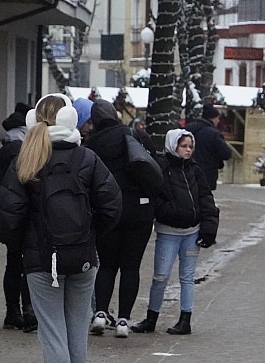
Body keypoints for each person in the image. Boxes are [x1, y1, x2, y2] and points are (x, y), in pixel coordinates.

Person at [0, 94, 122, 363]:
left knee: (52, 332)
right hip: (83, 258)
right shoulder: (88, 158)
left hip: (41, 261)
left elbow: (9, 215)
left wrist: (21, 247)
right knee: (76, 331)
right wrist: (90, 236)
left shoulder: (28, 158)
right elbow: (112, 206)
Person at [84, 100, 165, 337]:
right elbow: (155, 167)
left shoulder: (92, 145)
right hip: (139, 211)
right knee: (131, 267)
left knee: (107, 265)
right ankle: (123, 320)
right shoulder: (136, 135)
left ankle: (100, 313)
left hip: (107, 212)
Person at [130, 129, 219, 336]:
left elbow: (206, 198)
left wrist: (209, 228)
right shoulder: (162, 168)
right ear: (173, 146)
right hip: (168, 232)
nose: (188, 150)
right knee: (160, 276)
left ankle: (185, 319)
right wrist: (169, 212)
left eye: (190, 147)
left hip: (192, 233)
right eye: (183, 146)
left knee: (187, 278)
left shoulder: (195, 170)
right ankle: (151, 318)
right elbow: (155, 197)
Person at [0, 102, 36, 332]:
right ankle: (26, 311)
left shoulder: (4, 150)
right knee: (27, 264)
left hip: (7, 215)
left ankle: (12, 312)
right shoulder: (20, 151)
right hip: (22, 216)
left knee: (13, 263)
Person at [188, 103, 233, 192]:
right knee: (204, 202)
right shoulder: (214, 134)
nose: (218, 121)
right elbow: (226, 154)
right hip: (207, 175)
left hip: (187, 173)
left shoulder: (188, 129)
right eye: (217, 118)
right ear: (212, 118)